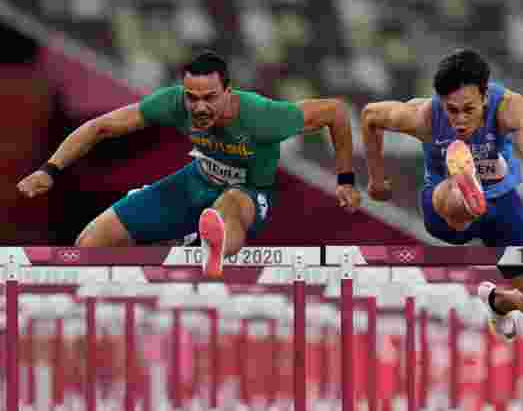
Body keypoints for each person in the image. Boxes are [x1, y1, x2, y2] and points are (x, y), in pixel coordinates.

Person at [17, 51, 360, 277]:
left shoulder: (264, 116)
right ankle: (177, 244)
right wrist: (50, 170)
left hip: (248, 192)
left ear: (228, 93)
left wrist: (345, 178)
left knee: (229, 206)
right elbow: (100, 127)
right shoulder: (173, 104)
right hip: (196, 180)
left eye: (209, 98)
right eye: (192, 98)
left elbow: (335, 112)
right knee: (89, 245)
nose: (199, 108)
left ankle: (205, 249)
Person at [361, 48, 523, 340]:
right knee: (455, 200)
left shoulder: (508, 106)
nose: (460, 120)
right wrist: (376, 178)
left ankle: (499, 301)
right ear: (440, 101)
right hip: (445, 209)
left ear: (485, 96)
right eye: (451, 110)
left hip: (502, 210)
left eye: (469, 110)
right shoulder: (424, 115)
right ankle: (463, 182)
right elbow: (370, 116)